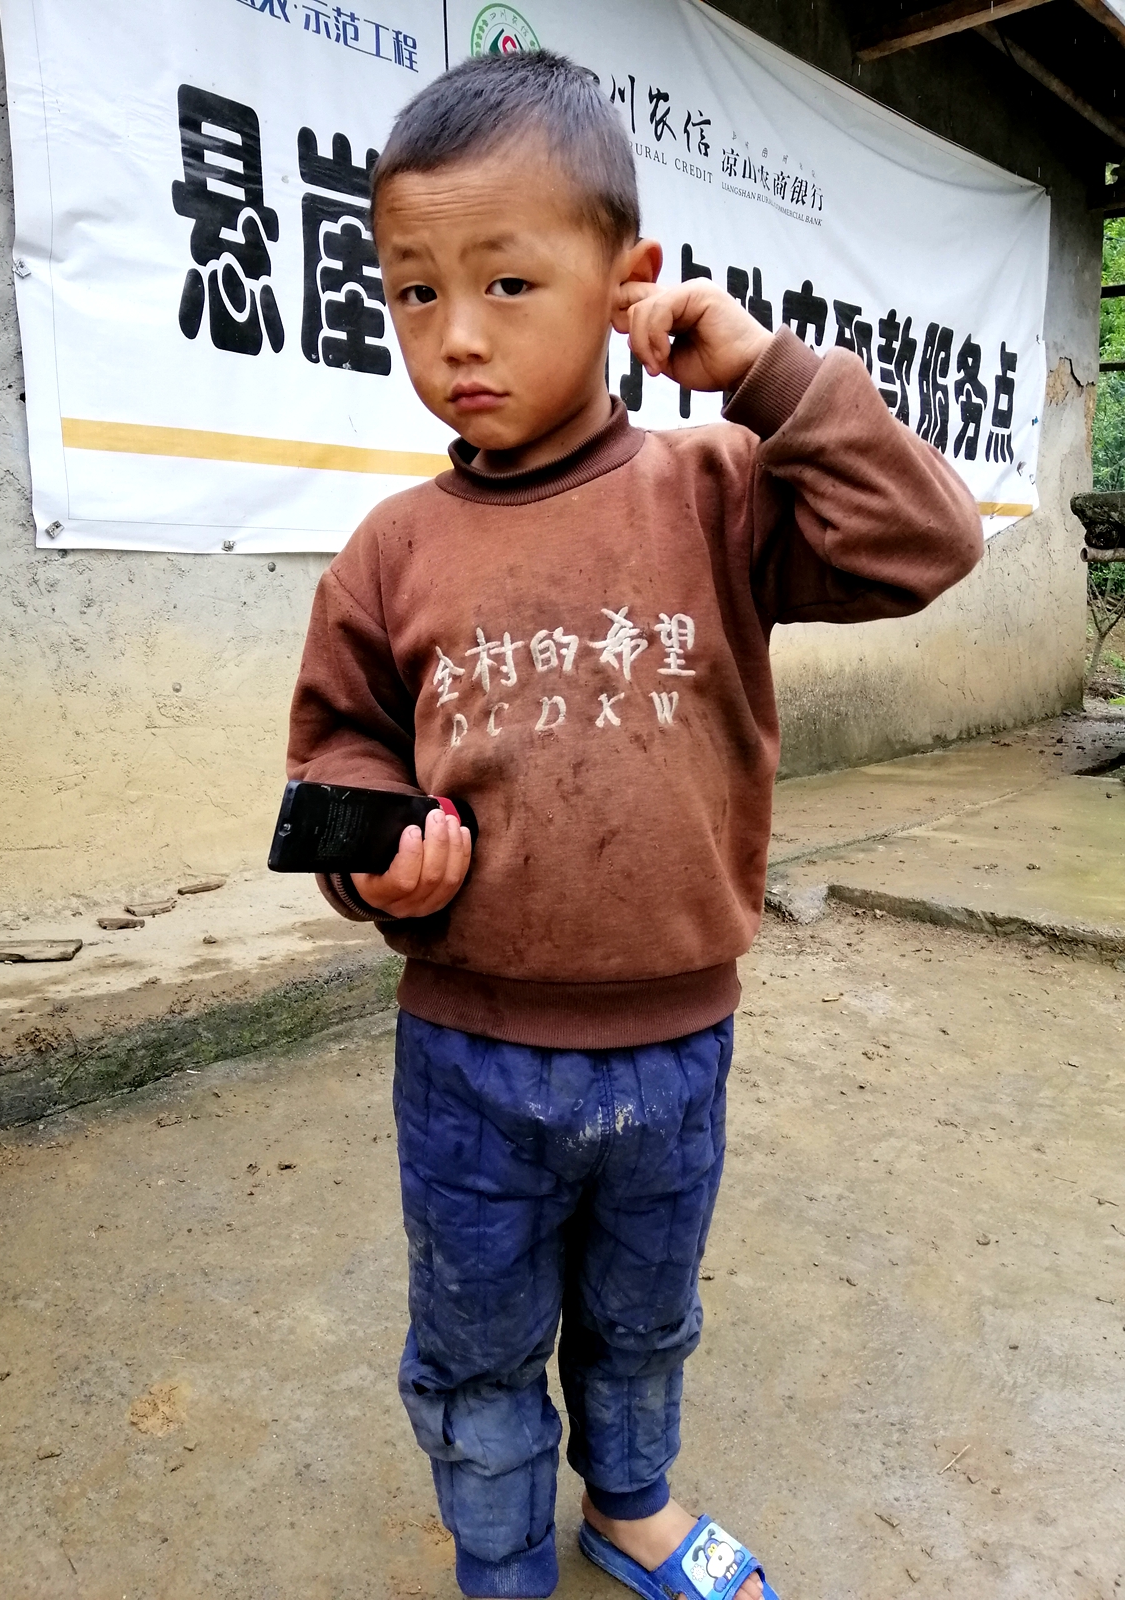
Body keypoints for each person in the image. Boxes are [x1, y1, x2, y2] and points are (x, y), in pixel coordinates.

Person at [286, 49, 982, 1600]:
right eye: (412, 292)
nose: (456, 336)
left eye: (507, 282)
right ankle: (497, 1557)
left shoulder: (717, 488)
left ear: (628, 283)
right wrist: (374, 852)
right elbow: (337, 747)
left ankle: (633, 1505)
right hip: (468, 1054)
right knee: (475, 1332)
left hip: (675, 1048)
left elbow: (925, 543)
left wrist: (771, 377)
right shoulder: (390, 552)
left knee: (646, 1314)